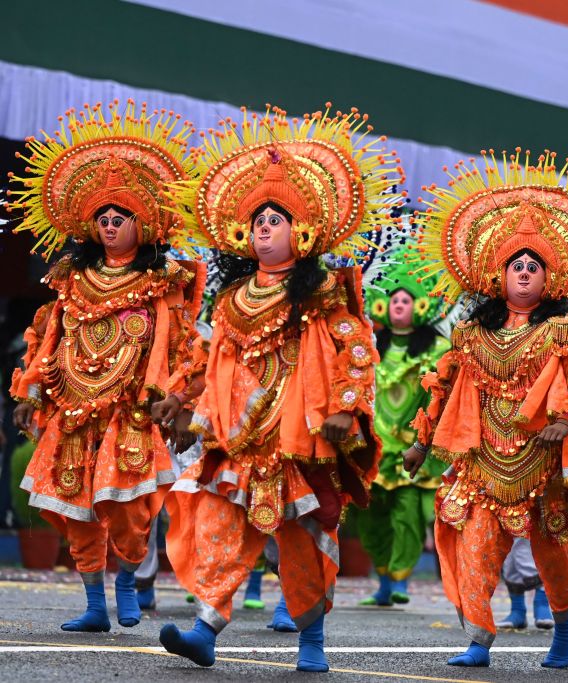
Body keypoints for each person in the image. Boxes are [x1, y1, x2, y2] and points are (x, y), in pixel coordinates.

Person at [158, 104, 402, 672]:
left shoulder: (323, 295)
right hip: (238, 440)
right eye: (257, 222)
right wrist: (182, 396)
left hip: (299, 440)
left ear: (304, 231)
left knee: (301, 545)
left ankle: (311, 645)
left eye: (276, 220)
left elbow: (358, 350)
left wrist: (346, 406)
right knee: (220, 529)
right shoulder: (232, 299)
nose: (264, 229)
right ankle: (205, 630)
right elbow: (210, 357)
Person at [403, 150, 568, 668]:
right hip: (482, 459)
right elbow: (444, 388)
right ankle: (478, 640)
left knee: (555, 557)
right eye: (517, 265)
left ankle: (563, 629)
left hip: (542, 462)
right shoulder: (471, 335)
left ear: (549, 279)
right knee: (475, 552)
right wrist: (422, 443)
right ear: (499, 274)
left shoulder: (562, 331)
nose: (526, 274)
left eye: (535, 267)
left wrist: (563, 420)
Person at [7, 101, 204, 632]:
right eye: (104, 218)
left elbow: (180, 345)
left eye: (121, 218)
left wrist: (176, 400)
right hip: (72, 407)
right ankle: (94, 604)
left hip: (130, 409)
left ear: (144, 224)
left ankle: (126, 585)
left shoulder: (162, 283)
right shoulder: (71, 279)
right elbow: (47, 337)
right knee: (74, 507)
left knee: (131, 508)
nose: (112, 224)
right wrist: (31, 393)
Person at [357, 242, 450, 606]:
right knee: (372, 515)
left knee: (407, 515)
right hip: (374, 443)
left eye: (406, 300)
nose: (398, 304)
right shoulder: (367, 344)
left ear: (420, 305)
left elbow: (441, 396)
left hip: (414, 445)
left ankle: (400, 580)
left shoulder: (437, 350)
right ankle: (382, 578)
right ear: (382, 304)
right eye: (393, 299)